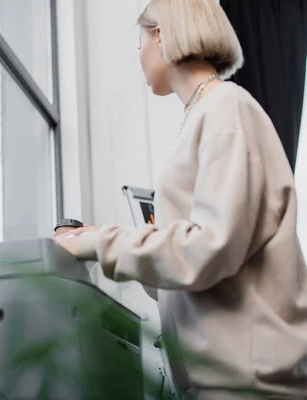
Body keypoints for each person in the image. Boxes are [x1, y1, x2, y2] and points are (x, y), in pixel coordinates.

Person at [55, 0, 307, 398]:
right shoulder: (207, 113)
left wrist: (95, 243)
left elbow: (209, 249)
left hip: (250, 384)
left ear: (161, 35)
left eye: (139, 42)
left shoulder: (227, 109)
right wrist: (119, 243)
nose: (138, 56)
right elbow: (191, 271)